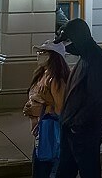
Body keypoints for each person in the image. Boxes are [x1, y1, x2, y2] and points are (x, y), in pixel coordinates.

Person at [54, 19, 102, 178]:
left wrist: (77, 125)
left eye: (68, 41)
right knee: (65, 171)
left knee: (89, 171)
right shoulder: (85, 58)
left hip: (84, 132)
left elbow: (98, 101)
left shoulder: (97, 60)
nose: (66, 47)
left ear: (78, 38)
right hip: (73, 129)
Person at [23, 40, 70, 178]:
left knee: (47, 169)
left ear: (54, 56)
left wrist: (43, 109)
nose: (39, 55)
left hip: (51, 132)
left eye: (43, 52)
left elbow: (61, 110)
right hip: (40, 130)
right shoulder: (42, 74)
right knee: (39, 169)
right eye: (39, 52)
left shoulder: (56, 79)